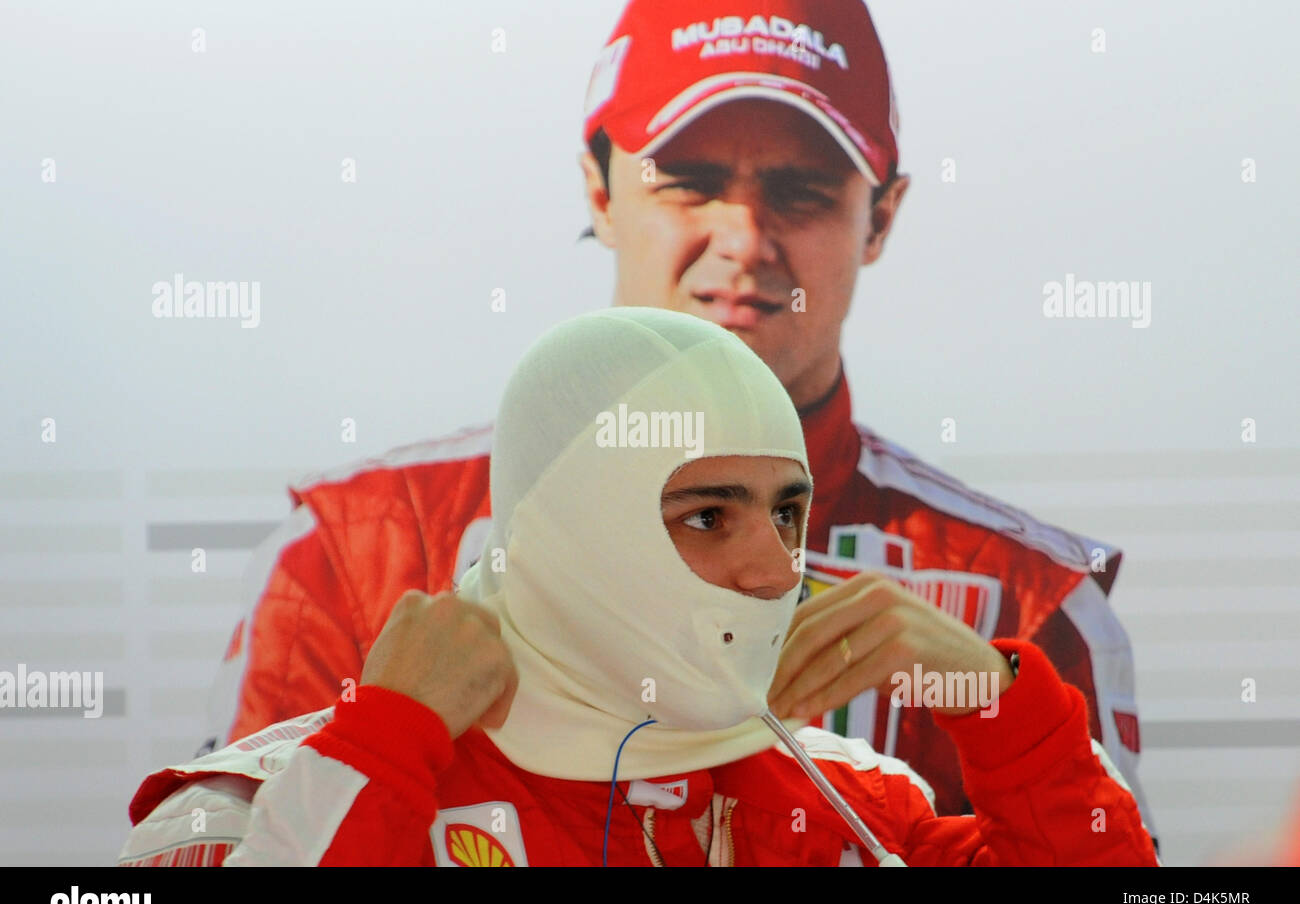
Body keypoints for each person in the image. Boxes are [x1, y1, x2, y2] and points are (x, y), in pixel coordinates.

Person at [199, 0, 1154, 829]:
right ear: (598, 188)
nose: (741, 239)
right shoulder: (357, 551)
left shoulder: (1023, 599)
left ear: (883, 217)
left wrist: (996, 703)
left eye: (801, 190)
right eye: (689, 178)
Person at [120, 309, 1158, 867]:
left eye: (785, 510)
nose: (773, 567)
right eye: (707, 514)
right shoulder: (253, 807)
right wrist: (387, 742)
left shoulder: (850, 803)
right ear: (570, 534)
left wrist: (1002, 707)